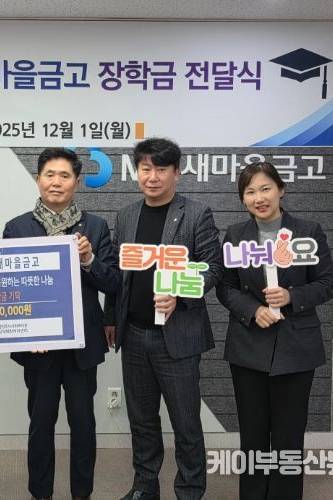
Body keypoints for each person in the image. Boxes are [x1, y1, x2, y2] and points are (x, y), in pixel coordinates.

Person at [105, 137, 223, 500]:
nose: (152, 177)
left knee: (186, 423)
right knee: (141, 421)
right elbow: (117, 273)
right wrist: (111, 318)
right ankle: (145, 487)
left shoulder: (196, 213)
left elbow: (213, 268)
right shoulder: (127, 215)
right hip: (134, 334)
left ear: (176, 172)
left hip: (177, 336)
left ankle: (189, 491)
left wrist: (180, 292)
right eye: (145, 169)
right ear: (137, 171)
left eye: (160, 169)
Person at [215, 162, 333, 500]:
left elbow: (328, 283)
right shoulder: (236, 235)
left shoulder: (308, 231)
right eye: (250, 192)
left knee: (288, 435)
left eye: (266, 188)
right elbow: (225, 287)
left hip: (296, 347)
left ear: (281, 190)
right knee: (253, 434)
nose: (259, 198)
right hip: (248, 346)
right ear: (243, 199)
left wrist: (291, 296)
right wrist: (252, 310)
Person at [3, 147, 119, 500]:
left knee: (83, 424)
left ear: (76, 182)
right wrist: (24, 331)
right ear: (38, 179)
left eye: (64, 175)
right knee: (40, 424)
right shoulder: (17, 227)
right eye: (49, 174)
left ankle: (82, 493)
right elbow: (8, 289)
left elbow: (113, 283)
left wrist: (89, 259)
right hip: (38, 345)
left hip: (83, 343)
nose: (56, 182)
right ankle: (40, 493)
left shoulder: (95, 227)